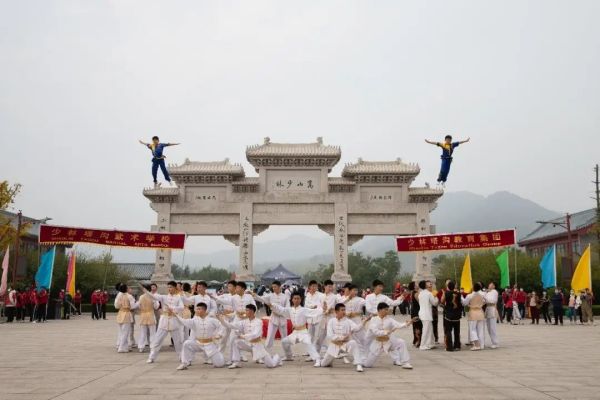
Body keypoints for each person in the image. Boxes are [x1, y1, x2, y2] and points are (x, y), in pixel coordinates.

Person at [217, 304, 282, 369]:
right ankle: (236, 362)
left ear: (252, 311)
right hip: (247, 344)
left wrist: (243, 336)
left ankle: (277, 357)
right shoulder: (244, 322)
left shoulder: (258, 322)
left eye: (247, 310)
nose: (245, 312)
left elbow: (256, 334)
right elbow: (231, 325)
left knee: (270, 365)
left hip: (257, 345)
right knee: (235, 341)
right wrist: (221, 320)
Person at [270, 292, 324, 366]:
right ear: (292, 300)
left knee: (308, 343)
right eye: (295, 298)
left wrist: (323, 309)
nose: (296, 300)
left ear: (301, 300)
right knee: (284, 341)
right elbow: (281, 309)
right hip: (295, 333)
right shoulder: (290, 310)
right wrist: (272, 305)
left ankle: (317, 359)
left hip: (303, 332)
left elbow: (314, 312)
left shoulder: (304, 310)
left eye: (298, 298)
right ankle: (289, 356)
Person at [141, 281, 185, 363]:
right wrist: (146, 292)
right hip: (164, 321)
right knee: (157, 340)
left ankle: (181, 357)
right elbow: (154, 296)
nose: (169, 289)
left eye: (171, 287)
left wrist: (173, 308)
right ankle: (152, 357)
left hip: (174, 321)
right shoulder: (164, 297)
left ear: (175, 288)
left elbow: (181, 307)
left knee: (178, 341)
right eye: (168, 287)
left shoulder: (178, 297)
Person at [176, 303, 225, 370]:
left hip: (210, 344)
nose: (197, 311)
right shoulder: (194, 320)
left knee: (219, 364)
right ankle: (184, 363)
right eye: (196, 309)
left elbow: (221, 326)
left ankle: (219, 355)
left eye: (199, 309)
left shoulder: (212, 320)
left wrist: (219, 335)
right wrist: (175, 315)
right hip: (198, 343)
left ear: (204, 310)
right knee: (187, 343)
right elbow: (184, 321)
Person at [364, 302, 414, 369]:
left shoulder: (389, 319)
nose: (387, 311)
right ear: (379, 310)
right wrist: (385, 332)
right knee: (367, 365)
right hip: (378, 343)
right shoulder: (373, 320)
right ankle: (361, 361)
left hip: (389, 342)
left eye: (387, 309)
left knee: (401, 342)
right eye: (386, 309)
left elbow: (398, 325)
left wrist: (407, 323)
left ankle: (406, 363)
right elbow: (375, 332)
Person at [320, 303, 366, 372]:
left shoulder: (348, 321)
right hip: (334, 345)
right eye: (342, 310)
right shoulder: (331, 321)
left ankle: (358, 364)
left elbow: (356, 328)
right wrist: (341, 338)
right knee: (324, 364)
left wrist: (364, 322)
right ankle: (328, 360)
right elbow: (330, 335)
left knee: (353, 343)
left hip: (345, 344)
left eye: (344, 310)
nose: (344, 312)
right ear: (336, 312)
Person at [253, 280, 290, 349]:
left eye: (275, 287)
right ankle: (266, 354)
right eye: (273, 287)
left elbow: (287, 309)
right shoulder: (270, 296)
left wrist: (275, 308)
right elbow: (261, 299)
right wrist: (254, 295)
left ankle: (288, 356)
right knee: (269, 337)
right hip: (273, 318)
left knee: (285, 338)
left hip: (282, 319)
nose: (274, 288)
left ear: (280, 287)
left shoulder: (285, 297)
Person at [114, 283, 138, 353]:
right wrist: (138, 303)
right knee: (125, 332)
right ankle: (121, 347)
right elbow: (133, 306)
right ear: (126, 289)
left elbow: (116, 306)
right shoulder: (129, 296)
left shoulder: (119, 296)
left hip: (120, 313)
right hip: (127, 314)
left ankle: (124, 347)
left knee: (122, 331)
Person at [213, 280, 236, 353]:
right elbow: (216, 299)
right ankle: (220, 354)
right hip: (226, 318)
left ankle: (240, 355)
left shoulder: (238, 297)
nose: (228, 287)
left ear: (235, 287)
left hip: (235, 319)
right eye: (228, 286)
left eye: (230, 286)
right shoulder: (225, 295)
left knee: (235, 338)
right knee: (223, 338)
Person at [462, 283, 485, 351]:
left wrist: (461, 297)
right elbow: (485, 301)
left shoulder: (470, 295)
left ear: (473, 288)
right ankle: (482, 345)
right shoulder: (482, 295)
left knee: (472, 329)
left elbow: (464, 303)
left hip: (473, 313)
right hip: (480, 312)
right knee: (480, 330)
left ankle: (477, 344)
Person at [304, 280, 325, 356]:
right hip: (310, 318)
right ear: (309, 287)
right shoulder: (307, 295)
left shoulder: (321, 295)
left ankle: (316, 351)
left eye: (315, 286)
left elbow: (322, 306)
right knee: (309, 335)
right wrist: (313, 307)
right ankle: (309, 350)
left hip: (318, 318)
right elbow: (306, 306)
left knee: (317, 335)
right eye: (312, 286)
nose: (314, 287)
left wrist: (315, 307)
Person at [137, 284, 159, 353]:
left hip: (143, 315)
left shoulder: (141, 297)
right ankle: (152, 346)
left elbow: (139, 306)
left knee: (143, 332)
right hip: (150, 315)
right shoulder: (153, 297)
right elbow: (156, 307)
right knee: (153, 332)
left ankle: (141, 347)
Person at [417, 280, 438, 350]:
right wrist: (436, 297)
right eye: (427, 284)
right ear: (425, 285)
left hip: (422, 313)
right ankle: (422, 345)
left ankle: (431, 343)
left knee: (430, 329)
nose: (429, 284)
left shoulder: (420, 293)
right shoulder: (429, 294)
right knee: (426, 330)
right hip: (427, 314)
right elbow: (434, 303)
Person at [443, 281, 461, 351]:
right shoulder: (458, 293)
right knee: (457, 331)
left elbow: (442, 301)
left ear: (448, 286)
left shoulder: (446, 293)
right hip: (457, 315)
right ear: (454, 287)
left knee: (448, 331)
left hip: (449, 315)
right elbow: (461, 302)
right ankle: (457, 346)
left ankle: (449, 347)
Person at [484, 282, 499, 349]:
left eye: (491, 284)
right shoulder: (487, 292)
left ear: (494, 286)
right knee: (488, 327)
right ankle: (493, 341)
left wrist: (485, 298)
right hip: (488, 309)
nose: (489, 285)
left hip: (492, 308)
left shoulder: (494, 292)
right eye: (489, 284)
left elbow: (492, 300)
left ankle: (495, 342)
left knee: (493, 327)